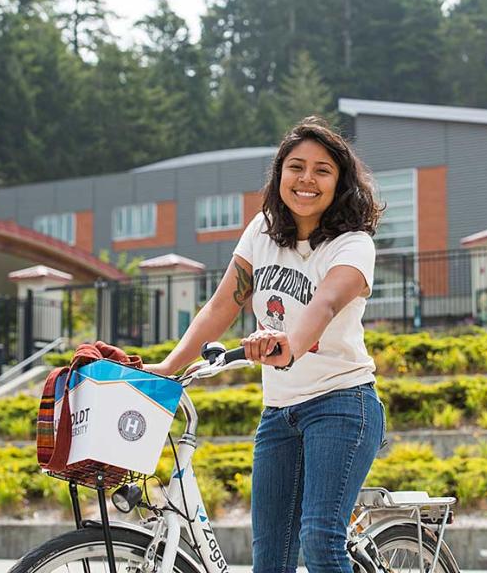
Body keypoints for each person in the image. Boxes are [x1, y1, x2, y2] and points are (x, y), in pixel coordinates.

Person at [145, 117, 386, 572]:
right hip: (278, 413)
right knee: (269, 561)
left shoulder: (353, 244)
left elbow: (327, 302)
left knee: (319, 541)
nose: (307, 179)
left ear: (341, 182)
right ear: (279, 176)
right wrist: (170, 366)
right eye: (296, 167)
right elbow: (222, 306)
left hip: (342, 405)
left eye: (322, 170)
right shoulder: (261, 231)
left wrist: (290, 344)